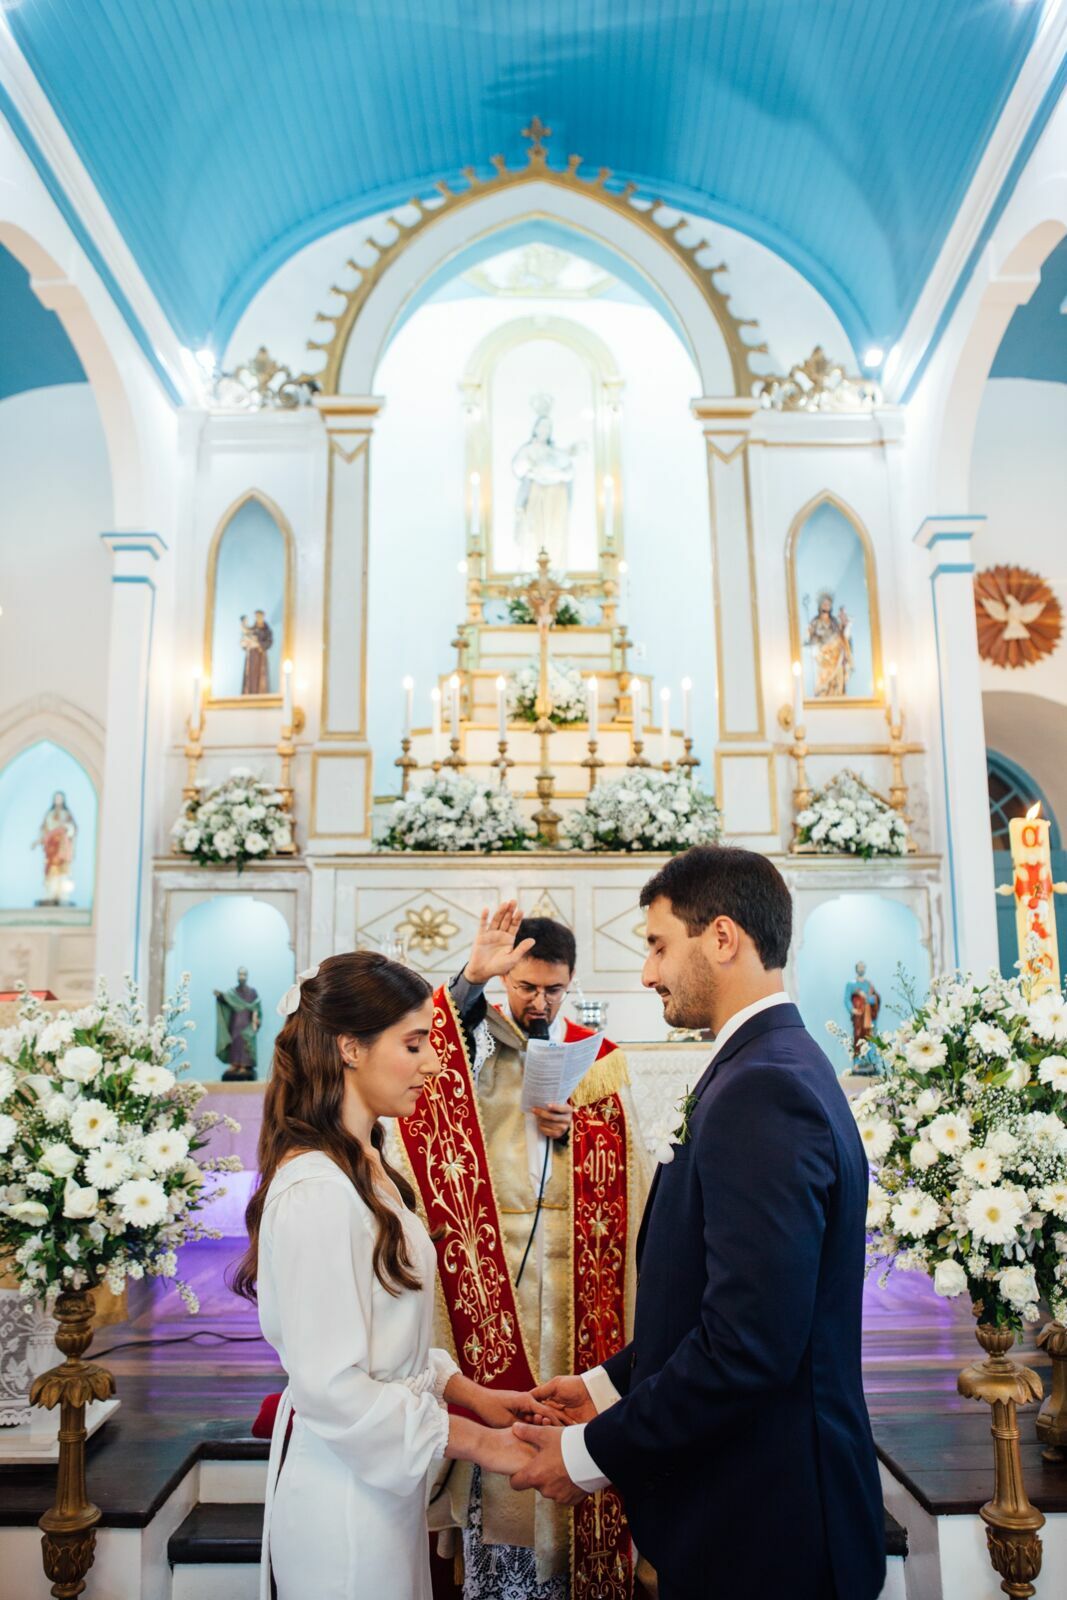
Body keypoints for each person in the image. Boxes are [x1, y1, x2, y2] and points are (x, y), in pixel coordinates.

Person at [511, 847, 886, 1600]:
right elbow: (722, 1299)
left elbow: (746, 1345)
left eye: (656, 945)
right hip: (757, 1509)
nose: (646, 974)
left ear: (721, 938)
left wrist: (587, 1452)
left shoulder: (764, 1088)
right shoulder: (768, 1063)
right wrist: (606, 1385)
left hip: (769, 1526)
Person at [232, 952, 549, 1600]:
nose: (433, 1062)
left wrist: (464, 1390)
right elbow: (332, 1386)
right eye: (414, 1043)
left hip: (377, 1487)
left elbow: (377, 1336)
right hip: (343, 1505)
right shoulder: (316, 1190)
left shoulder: (366, 1162)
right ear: (350, 1047)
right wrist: (482, 1446)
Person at [395, 907, 648, 1600]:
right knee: (501, 1454)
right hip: (491, 1292)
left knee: (575, 1436)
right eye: (527, 987)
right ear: (509, 979)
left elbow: (629, 1176)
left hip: (575, 1301)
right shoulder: (473, 1045)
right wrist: (473, 978)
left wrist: (575, 1130)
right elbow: (429, 1077)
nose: (538, 1003)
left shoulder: (595, 1060)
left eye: (553, 990)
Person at [214, 966, 262, 1080]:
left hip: (247, 1023)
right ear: (237, 976)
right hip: (234, 1023)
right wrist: (220, 996)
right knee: (235, 1042)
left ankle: (245, 1066)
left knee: (245, 1042)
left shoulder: (252, 992)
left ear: (247, 976)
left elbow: (256, 1006)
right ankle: (235, 1064)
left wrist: (256, 1020)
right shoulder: (232, 992)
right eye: (240, 974)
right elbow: (226, 1000)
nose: (242, 977)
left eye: (244, 974)